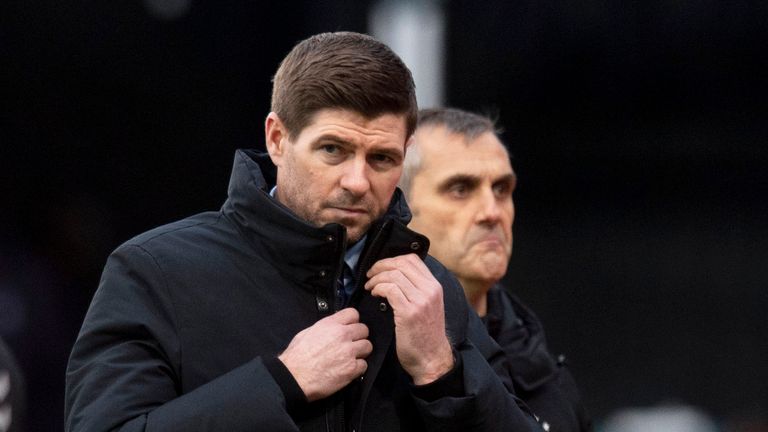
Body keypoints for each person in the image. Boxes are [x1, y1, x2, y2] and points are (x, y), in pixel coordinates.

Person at [65, 32, 541, 431]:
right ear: (277, 138)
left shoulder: (431, 289)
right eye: (332, 150)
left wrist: (442, 374)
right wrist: (281, 383)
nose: (357, 182)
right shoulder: (156, 271)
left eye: (381, 159)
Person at [400, 107, 592, 432]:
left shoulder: (543, 369)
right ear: (399, 207)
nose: (492, 212)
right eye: (460, 189)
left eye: (502, 189)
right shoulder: (364, 360)